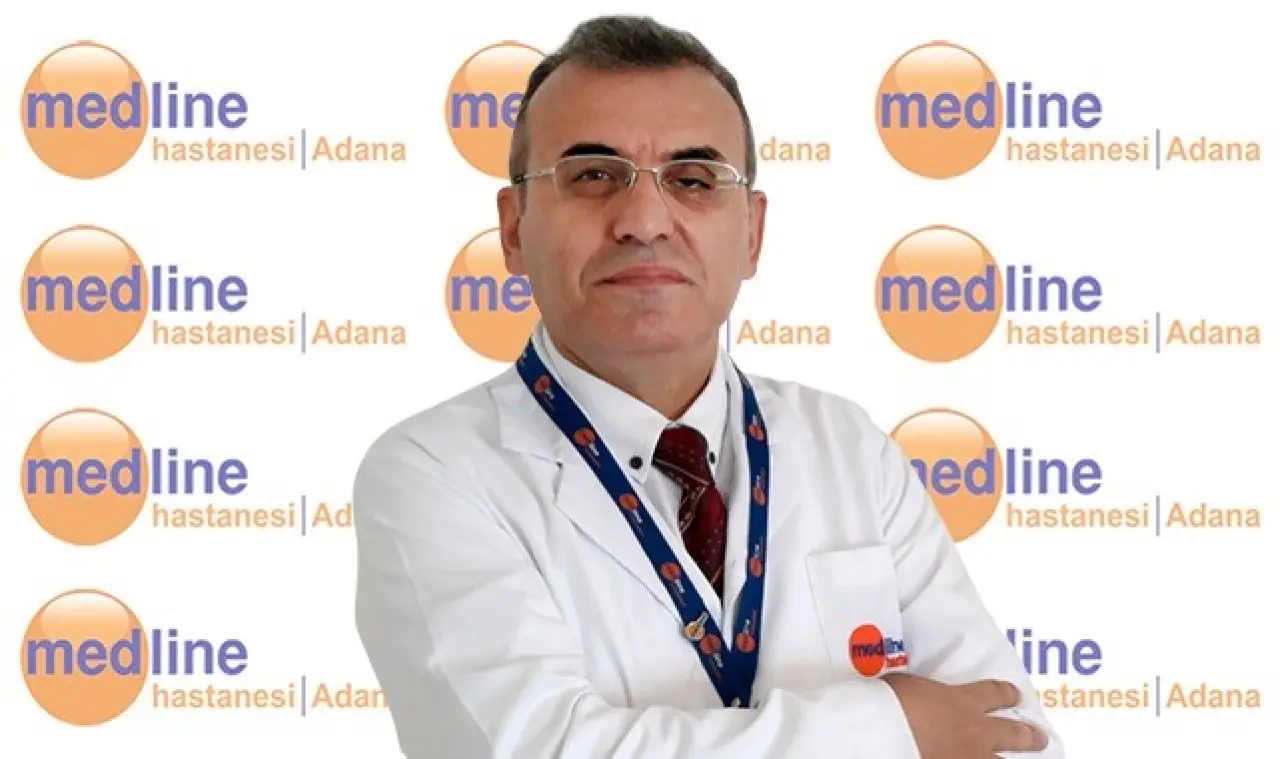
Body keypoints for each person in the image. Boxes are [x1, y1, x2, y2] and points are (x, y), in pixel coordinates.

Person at [353, 14, 1065, 759]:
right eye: (593, 175)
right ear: (512, 229)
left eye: (693, 180)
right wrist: (895, 729)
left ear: (752, 233)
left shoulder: (847, 445)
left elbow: (1009, 732)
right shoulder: (432, 472)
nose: (644, 221)